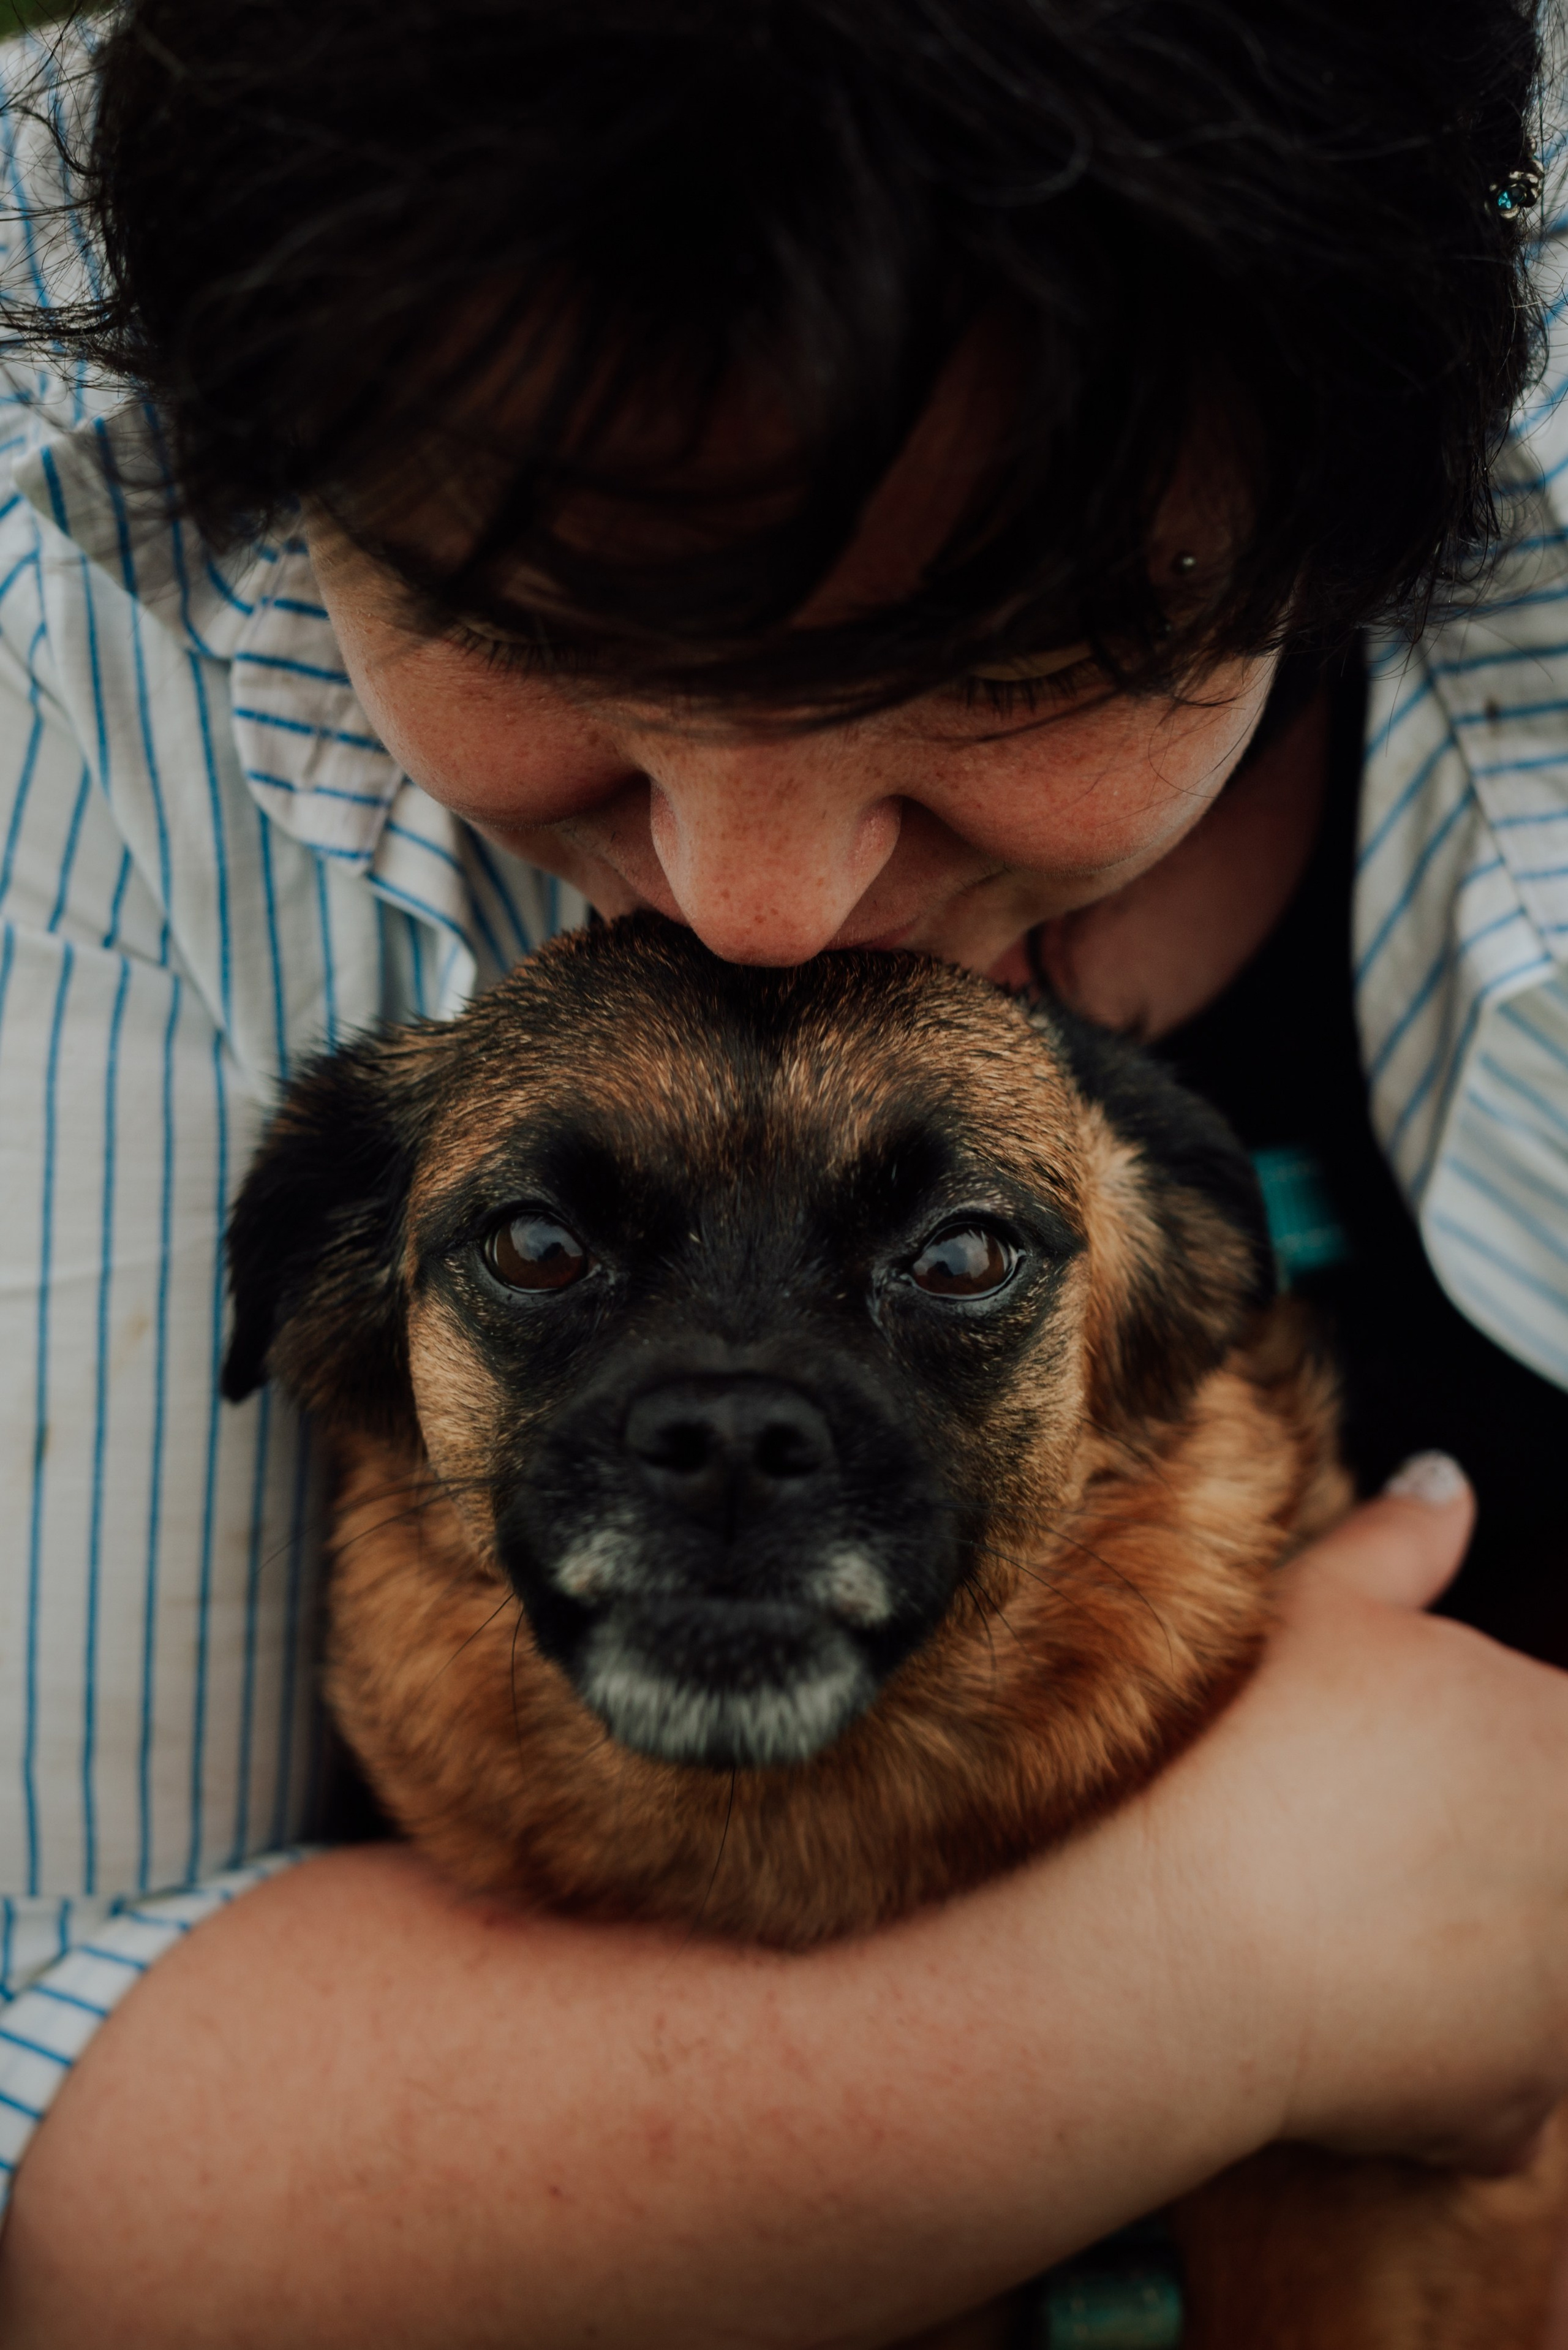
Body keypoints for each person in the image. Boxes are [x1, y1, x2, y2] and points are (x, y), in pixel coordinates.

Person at [0, 2, 1566, 2343]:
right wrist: (1237, 1951)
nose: (757, 896)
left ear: (1358, 499)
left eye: (1016, 640)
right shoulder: (56, 544)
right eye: (530, 610)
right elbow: (47, 2122)